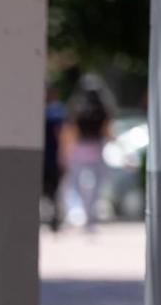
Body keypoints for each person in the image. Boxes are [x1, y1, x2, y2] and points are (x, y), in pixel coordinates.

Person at [61, 73, 115, 230]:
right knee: (97, 186)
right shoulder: (104, 108)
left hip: (79, 151)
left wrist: (66, 152)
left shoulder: (76, 107)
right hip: (96, 150)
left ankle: (78, 212)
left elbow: (71, 132)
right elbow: (107, 132)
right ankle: (90, 216)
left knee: (75, 184)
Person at [43, 85, 67, 232]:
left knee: (49, 189)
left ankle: (53, 217)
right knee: (54, 190)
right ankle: (54, 217)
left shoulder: (49, 111)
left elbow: (61, 134)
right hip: (53, 157)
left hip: (48, 157)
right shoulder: (57, 111)